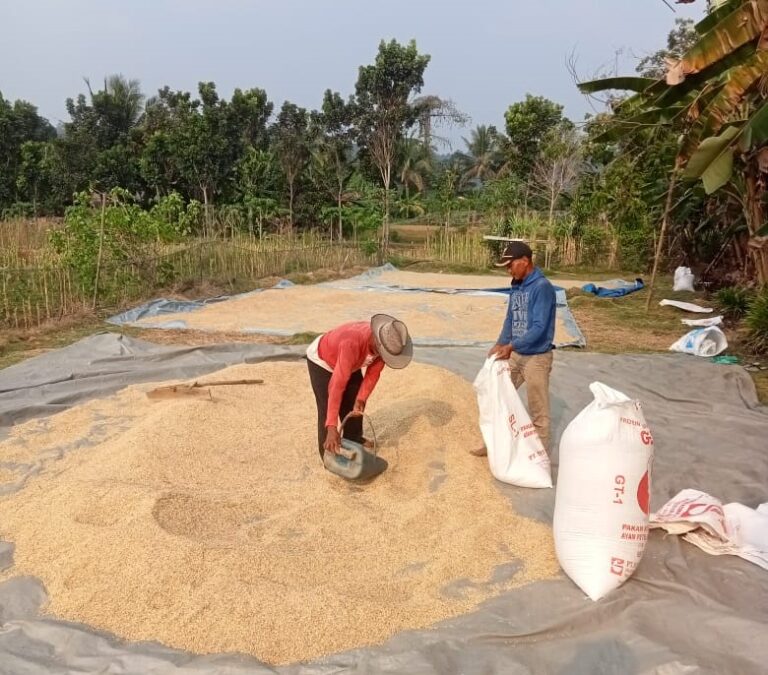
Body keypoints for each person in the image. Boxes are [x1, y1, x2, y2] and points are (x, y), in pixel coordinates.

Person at [471, 241, 557, 456]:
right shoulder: (516, 286)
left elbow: (539, 328)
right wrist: (500, 343)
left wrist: (511, 345)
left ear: (525, 261)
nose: (509, 270)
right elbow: (510, 318)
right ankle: (493, 445)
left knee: (539, 412)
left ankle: (540, 460)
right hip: (516, 354)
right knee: (497, 398)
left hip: (537, 358)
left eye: (510, 265)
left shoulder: (542, 288)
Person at [306, 314, 413, 457]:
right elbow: (337, 385)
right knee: (326, 410)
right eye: (385, 353)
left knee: (354, 399)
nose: (385, 357)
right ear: (377, 342)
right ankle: (327, 452)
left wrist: (361, 398)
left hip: (351, 363)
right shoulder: (351, 344)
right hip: (323, 360)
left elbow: (373, 374)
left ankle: (353, 439)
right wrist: (332, 426)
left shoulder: (385, 346)